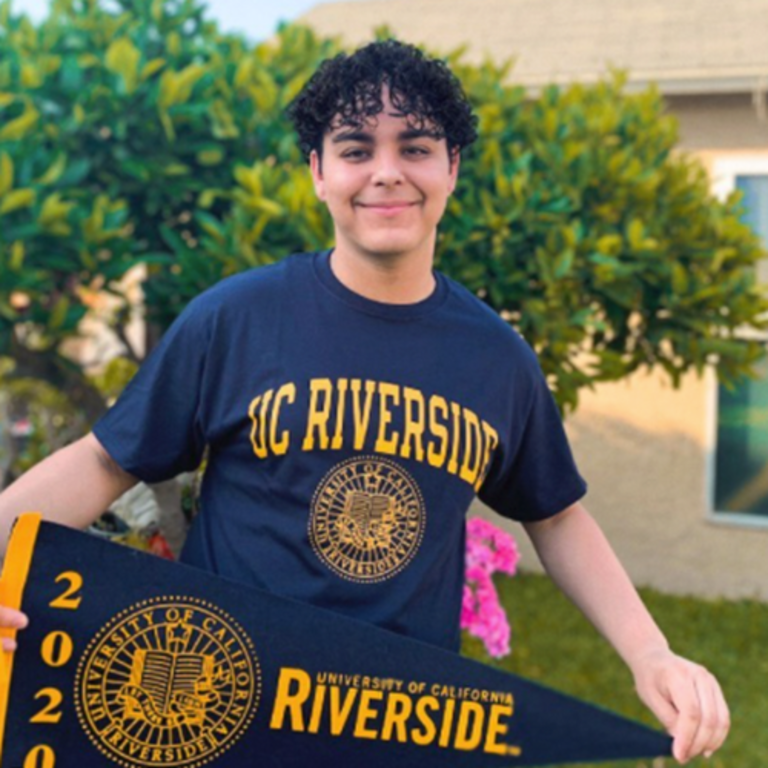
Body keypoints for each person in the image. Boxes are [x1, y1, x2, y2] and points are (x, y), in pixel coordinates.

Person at [0, 39, 728, 763]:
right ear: (318, 173)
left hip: (401, 729)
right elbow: (106, 460)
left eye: (414, 147)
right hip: (224, 712)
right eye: (355, 149)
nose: (386, 172)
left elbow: (556, 513)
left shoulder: (496, 359)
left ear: (452, 168)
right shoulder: (238, 319)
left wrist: (652, 654)